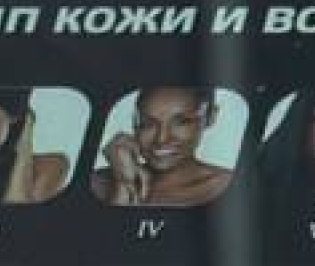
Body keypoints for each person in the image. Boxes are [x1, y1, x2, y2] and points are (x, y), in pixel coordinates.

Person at [89, 87, 235, 208]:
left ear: (210, 117)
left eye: (181, 122)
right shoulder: (98, 182)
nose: (161, 139)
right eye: (148, 123)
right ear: (135, 123)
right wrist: (123, 185)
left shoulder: (232, 188)